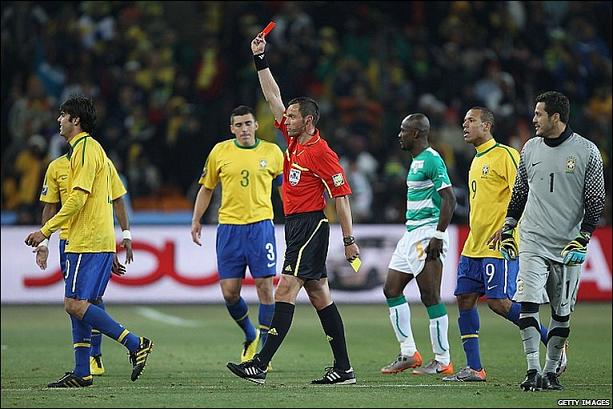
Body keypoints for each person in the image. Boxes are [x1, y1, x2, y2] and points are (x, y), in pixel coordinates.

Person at [225, 32, 360, 385]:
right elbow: (273, 96)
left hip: (311, 225)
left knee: (285, 289)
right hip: (296, 225)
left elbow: (341, 196)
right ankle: (344, 368)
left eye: (293, 116)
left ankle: (259, 364)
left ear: (309, 121)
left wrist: (349, 240)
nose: (286, 118)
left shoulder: (321, 152)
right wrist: (260, 59)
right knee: (319, 295)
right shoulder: (293, 140)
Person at [24, 95, 153, 388]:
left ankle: (135, 343)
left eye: (63, 115)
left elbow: (80, 199)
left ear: (76, 120)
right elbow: (84, 201)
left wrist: (45, 231)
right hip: (87, 240)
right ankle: (83, 371)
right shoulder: (82, 155)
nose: (59, 119)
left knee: (74, 303)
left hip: (86, 240)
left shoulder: (86, 149)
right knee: (82, 303)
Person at [489, 91, 605, 391]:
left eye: (539, 114)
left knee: (561, 313)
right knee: (527, 303)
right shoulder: (529, 148)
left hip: (567, 245)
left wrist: (584, 236)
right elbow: (520, 192)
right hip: (532, 239)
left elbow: (595, 199)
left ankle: (551, 372)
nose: (534, 119)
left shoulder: (587, 151)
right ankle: (532, 370)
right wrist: (509, 227)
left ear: (555, 117)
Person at [441, 107, 550, 382]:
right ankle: (475, 368)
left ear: (487, 125)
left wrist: (509, 226)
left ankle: (553, 339)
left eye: (471, 120)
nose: (465, 125)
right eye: (464, 120)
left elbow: (528, 192)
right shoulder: (477, 159)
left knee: (499, 302)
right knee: (465, 299)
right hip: (474, 244)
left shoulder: (505, 155)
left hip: (500, 243)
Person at [191, 105, 283, 363]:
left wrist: (295, 217)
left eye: (248, 123)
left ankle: (263, 354)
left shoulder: (272, 152)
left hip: (261, 227)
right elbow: (207, 188)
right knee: (230, 292)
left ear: (256, 125)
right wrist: (196, 219)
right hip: (229, 228)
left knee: (265, 288)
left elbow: (284, 189)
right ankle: (250, 334)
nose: (244, 129)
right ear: (232, 128)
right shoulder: (220, 151)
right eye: (239, 125)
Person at [35, 152, 135, 377]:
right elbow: (50, 207)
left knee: (85, 300)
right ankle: (86, 365)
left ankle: (96, 356)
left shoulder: (101, 162)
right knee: (81, 301)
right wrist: (44, 243)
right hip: (68, 241)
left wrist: (122, 236)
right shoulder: (56, 167)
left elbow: (116, 198)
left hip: (93, 240)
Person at [379, 113, 457, 376]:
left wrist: (439, 235)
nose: (399, 135)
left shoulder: (432, 159)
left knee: (430, 296)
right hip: (410, 233)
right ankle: (409, 353)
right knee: (391, 289)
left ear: (416, 133)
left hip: (427, 234)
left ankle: (443, 360)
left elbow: (449, 199)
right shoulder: (416, 161)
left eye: (403, 130)